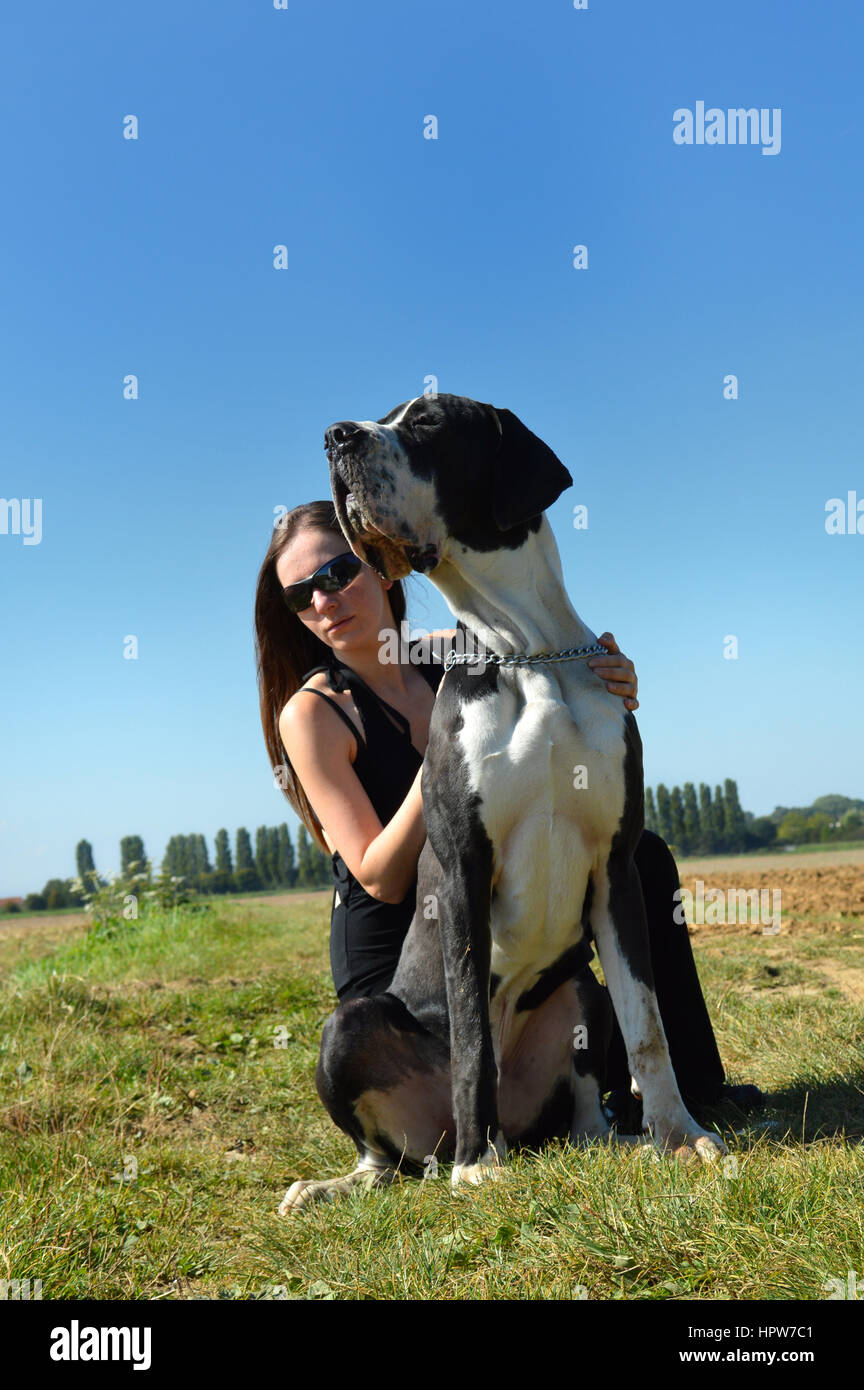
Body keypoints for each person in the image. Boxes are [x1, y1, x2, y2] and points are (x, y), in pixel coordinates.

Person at [254, 499, 762, 1130]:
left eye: (337, 575)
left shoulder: (457, 651)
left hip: (492, 905)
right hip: (402, 967)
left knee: (644, 859)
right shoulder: (313, 715)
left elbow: (552, 659)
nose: (323, 602)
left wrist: (609, 675)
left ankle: (692, 1087)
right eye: (301, 597)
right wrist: (448, 753)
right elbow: (377, 875)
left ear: (384, 567)